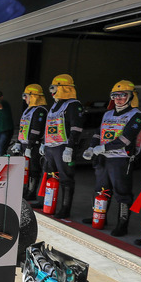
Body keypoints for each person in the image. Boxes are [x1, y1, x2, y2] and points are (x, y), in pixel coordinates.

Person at [82, 80, 141, 236]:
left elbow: (126, 139)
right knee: (100, 190)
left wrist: (102, 148)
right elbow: (98, 133)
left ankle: (122, 224)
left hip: (121, 160)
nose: (118, 98)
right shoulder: (107, 113)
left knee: (122, 193)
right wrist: (91, 146)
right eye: (115, 95)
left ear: (132, 96)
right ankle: (98, 217)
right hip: (103, 158)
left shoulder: (137, 116)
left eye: (123, 95)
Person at [42, 74, 84, 219]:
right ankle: (49, 204)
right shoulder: (55, 105)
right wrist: (44, 143)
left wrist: (70, 146)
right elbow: (49, 126)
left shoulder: (73, 105)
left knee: (66, 179)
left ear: (63, 88)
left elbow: (76, 127)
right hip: (51, 147)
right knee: (50, 176)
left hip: (63, 147)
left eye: (54, 88)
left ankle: (65, 208)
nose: (51, 91)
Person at [13, 84, 48, 200]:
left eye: (26, 95)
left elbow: (36, 129)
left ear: (33, 96)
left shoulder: (40, 111)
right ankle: (26, 189)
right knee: (25, 169)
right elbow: (23, 127)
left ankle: (31, 192)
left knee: (34, 169)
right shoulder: (28, 110)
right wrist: (18, 142)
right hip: (25, 145)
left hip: (34, 146)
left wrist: (30, 145)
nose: (24, 98)